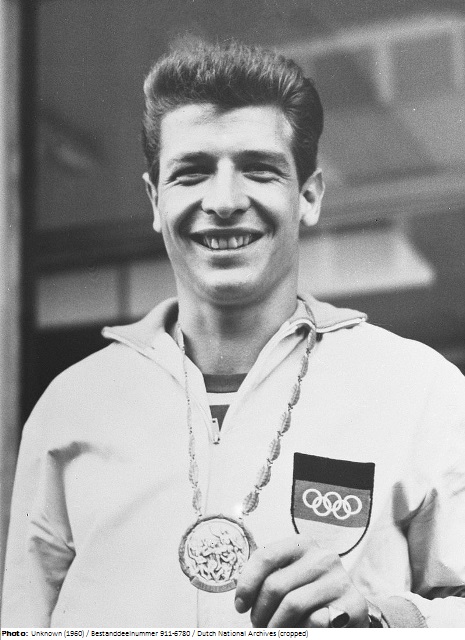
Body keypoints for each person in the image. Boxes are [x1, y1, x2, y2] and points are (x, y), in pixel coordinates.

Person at [2, 40, 465, 629]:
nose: (223, 201)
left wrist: (382, 616)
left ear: (309, 196)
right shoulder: (72, 405)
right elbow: (21, 624)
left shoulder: (419, 390)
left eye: (259, 170)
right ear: (155, 200)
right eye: (192, 173)